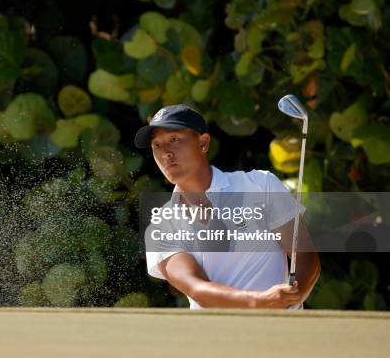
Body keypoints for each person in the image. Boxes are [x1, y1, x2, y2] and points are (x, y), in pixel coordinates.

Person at [134, 105, 320, 309]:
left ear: (203, 142)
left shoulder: (260, 185)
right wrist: (262, 302)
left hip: (281, 333)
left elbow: (304, 255)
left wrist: (295, 294)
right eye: (157, 146)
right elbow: (196, 288)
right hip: (216, 337)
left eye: (174, 139)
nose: (165, 153)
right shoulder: (161, 227)